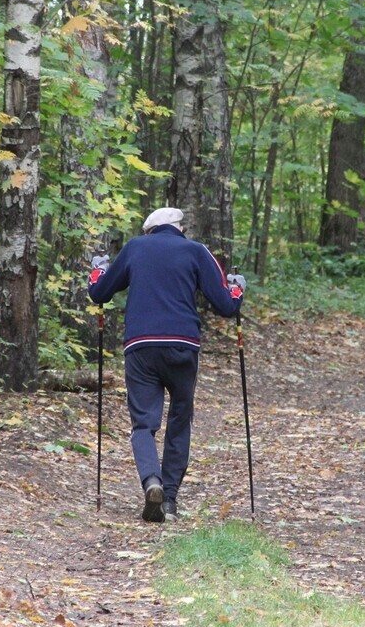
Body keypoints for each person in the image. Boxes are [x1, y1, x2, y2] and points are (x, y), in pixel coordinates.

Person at [87, 207, 246, 523]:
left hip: (141, 346)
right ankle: (169, 500)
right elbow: (226, 305)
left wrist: (97, 270)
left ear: (150, 231)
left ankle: (152, 482)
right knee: (180, 419)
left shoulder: (135, 247)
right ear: (178, 228)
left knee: (143, 424)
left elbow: (99, 293)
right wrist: (239, 287)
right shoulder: (195, 251)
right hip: (182, 346)